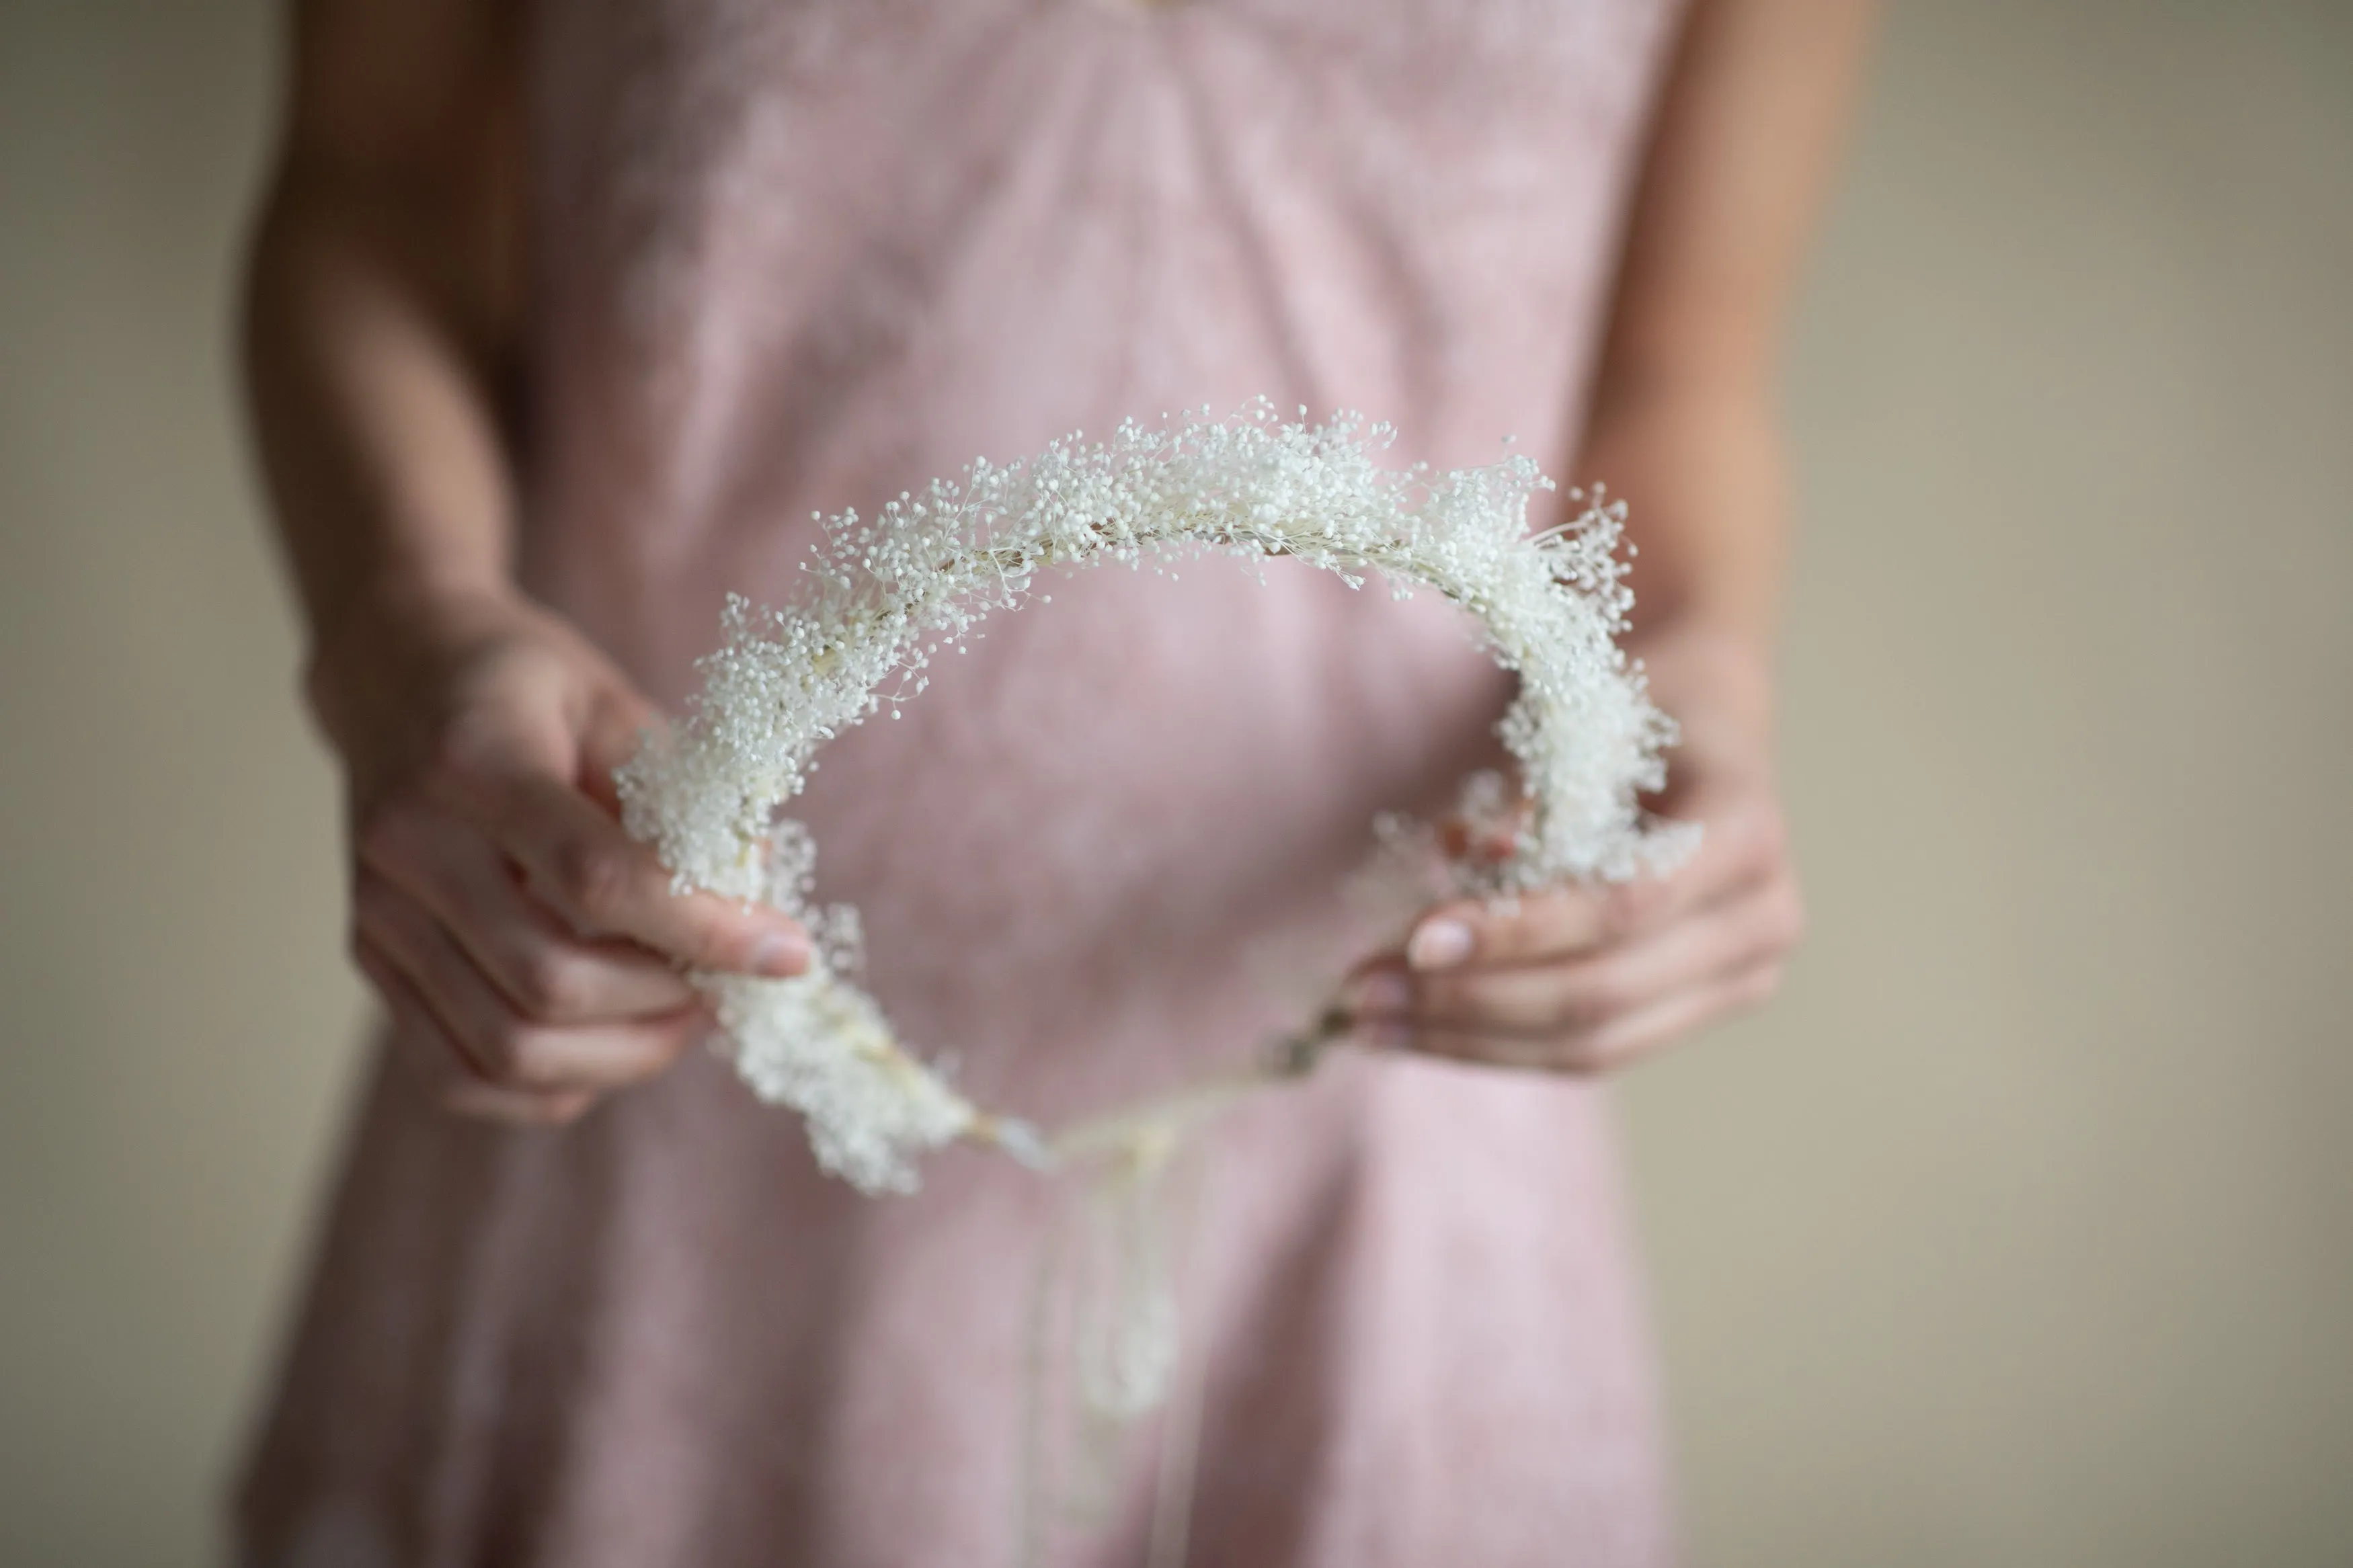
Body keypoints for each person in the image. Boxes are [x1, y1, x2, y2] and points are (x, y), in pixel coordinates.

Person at [235, 0, 1869, 1562]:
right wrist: (410, 630)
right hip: (636, 1029)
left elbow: (1679, 364)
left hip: (1395, 1102)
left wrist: (1699, 677)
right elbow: (373, 194)